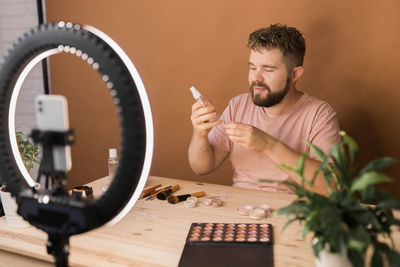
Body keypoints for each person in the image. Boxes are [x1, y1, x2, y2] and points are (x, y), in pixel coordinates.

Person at [188, 23, 340, 195]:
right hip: (240, 210)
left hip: (291, 214)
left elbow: (332, 187)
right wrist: (199, 134)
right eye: (252, 67)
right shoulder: (238, 105)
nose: (256, 78)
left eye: (268, 69)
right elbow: (201, 167)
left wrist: (269, 146)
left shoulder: (319, 115)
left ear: (295, 74)